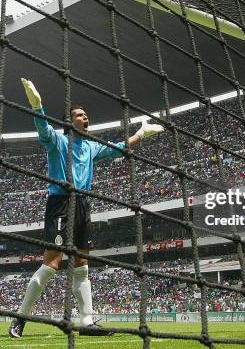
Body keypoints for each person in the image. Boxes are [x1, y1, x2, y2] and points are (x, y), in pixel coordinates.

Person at [9, 78, 164, 338]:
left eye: (86, 115)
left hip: (82, 205)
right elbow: (43, 130)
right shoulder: (58, 142)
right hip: (60, 204)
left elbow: (118, 149)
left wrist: (141, 133)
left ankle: (87, 322)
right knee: (52, 264)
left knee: (81, 265)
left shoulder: (91, 147)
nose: (85, 118)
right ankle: (20, 318)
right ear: (71, 122)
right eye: (80, 115)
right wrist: (37, 105)